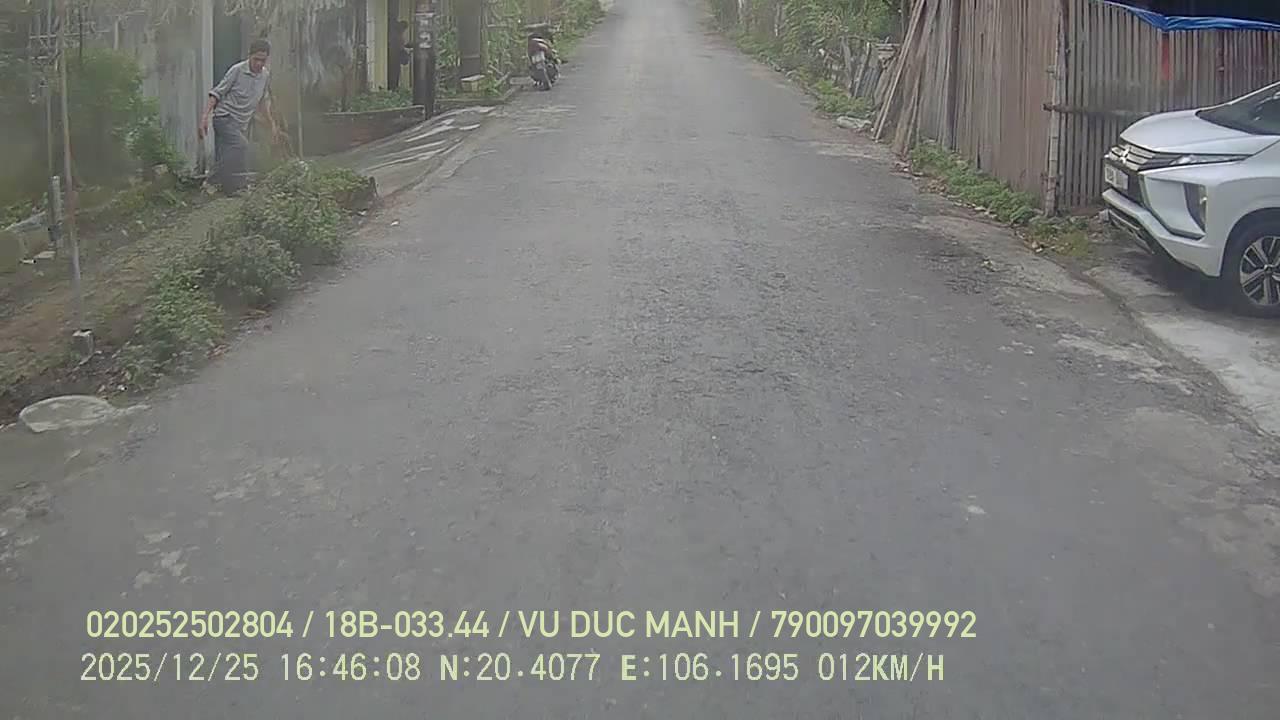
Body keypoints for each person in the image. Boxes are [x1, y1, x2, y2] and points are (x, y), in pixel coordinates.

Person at [199, 38, 282, 195]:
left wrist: (271, 125)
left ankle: (232, 188)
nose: (259, 63)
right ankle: (211, 180)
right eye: (256, 59)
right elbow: (216, 93)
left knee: (234, 157)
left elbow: (262, 103)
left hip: (240, 124)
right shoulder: (237, 70)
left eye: (263, 60)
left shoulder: (265, 76)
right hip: (224, 118)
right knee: (241, 146)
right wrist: (204, 117)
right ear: (249, 56)